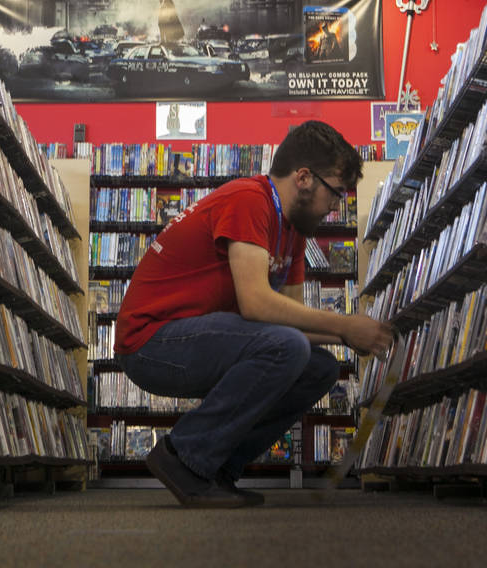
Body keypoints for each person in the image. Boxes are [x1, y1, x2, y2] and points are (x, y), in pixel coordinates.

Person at [114, 121, 393, 508]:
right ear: (305, 178)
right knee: (286, 346)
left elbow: (291, 319)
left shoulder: (292, 233)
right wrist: (345, 326)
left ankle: (217, 468)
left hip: (191, 340)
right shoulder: (250, 199)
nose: (337, 206)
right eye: (336, 191)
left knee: (319, 368)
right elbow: (257, 305)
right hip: (149, 344)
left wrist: (348, 337)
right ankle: (183, 458)